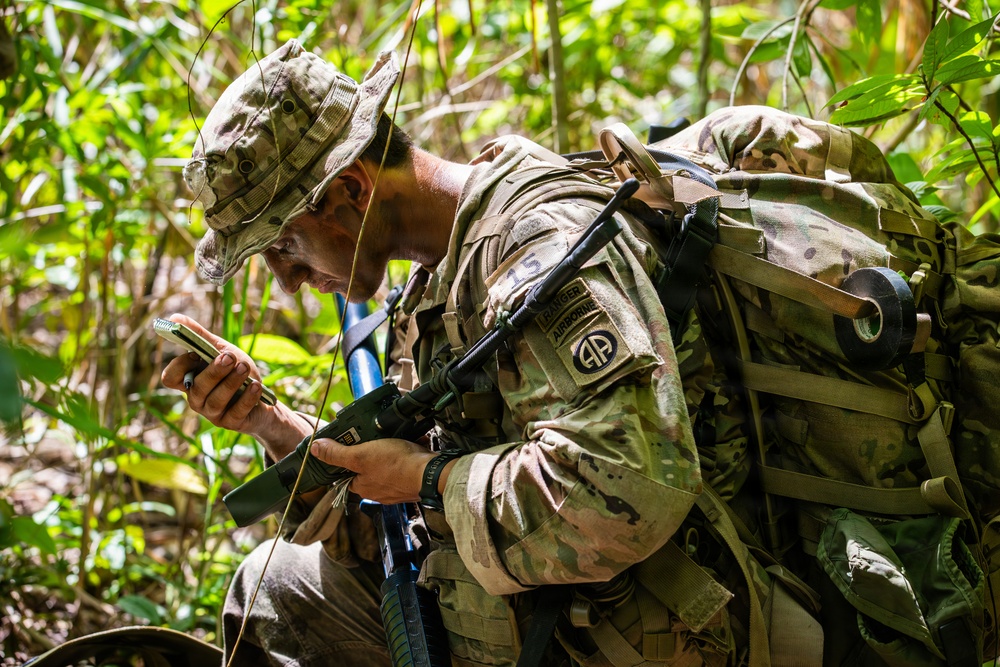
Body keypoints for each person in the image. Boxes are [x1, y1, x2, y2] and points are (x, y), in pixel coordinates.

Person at [162, 39, 761, 666]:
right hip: (538, 609)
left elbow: (636, 486)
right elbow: (401, 528)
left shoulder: (540, 253)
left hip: (647, 632)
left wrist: (428, 478)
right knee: (279, 585)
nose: (287, 281)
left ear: (352, 191)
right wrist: (272, 424)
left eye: (285, 246)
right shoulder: (436, 285)